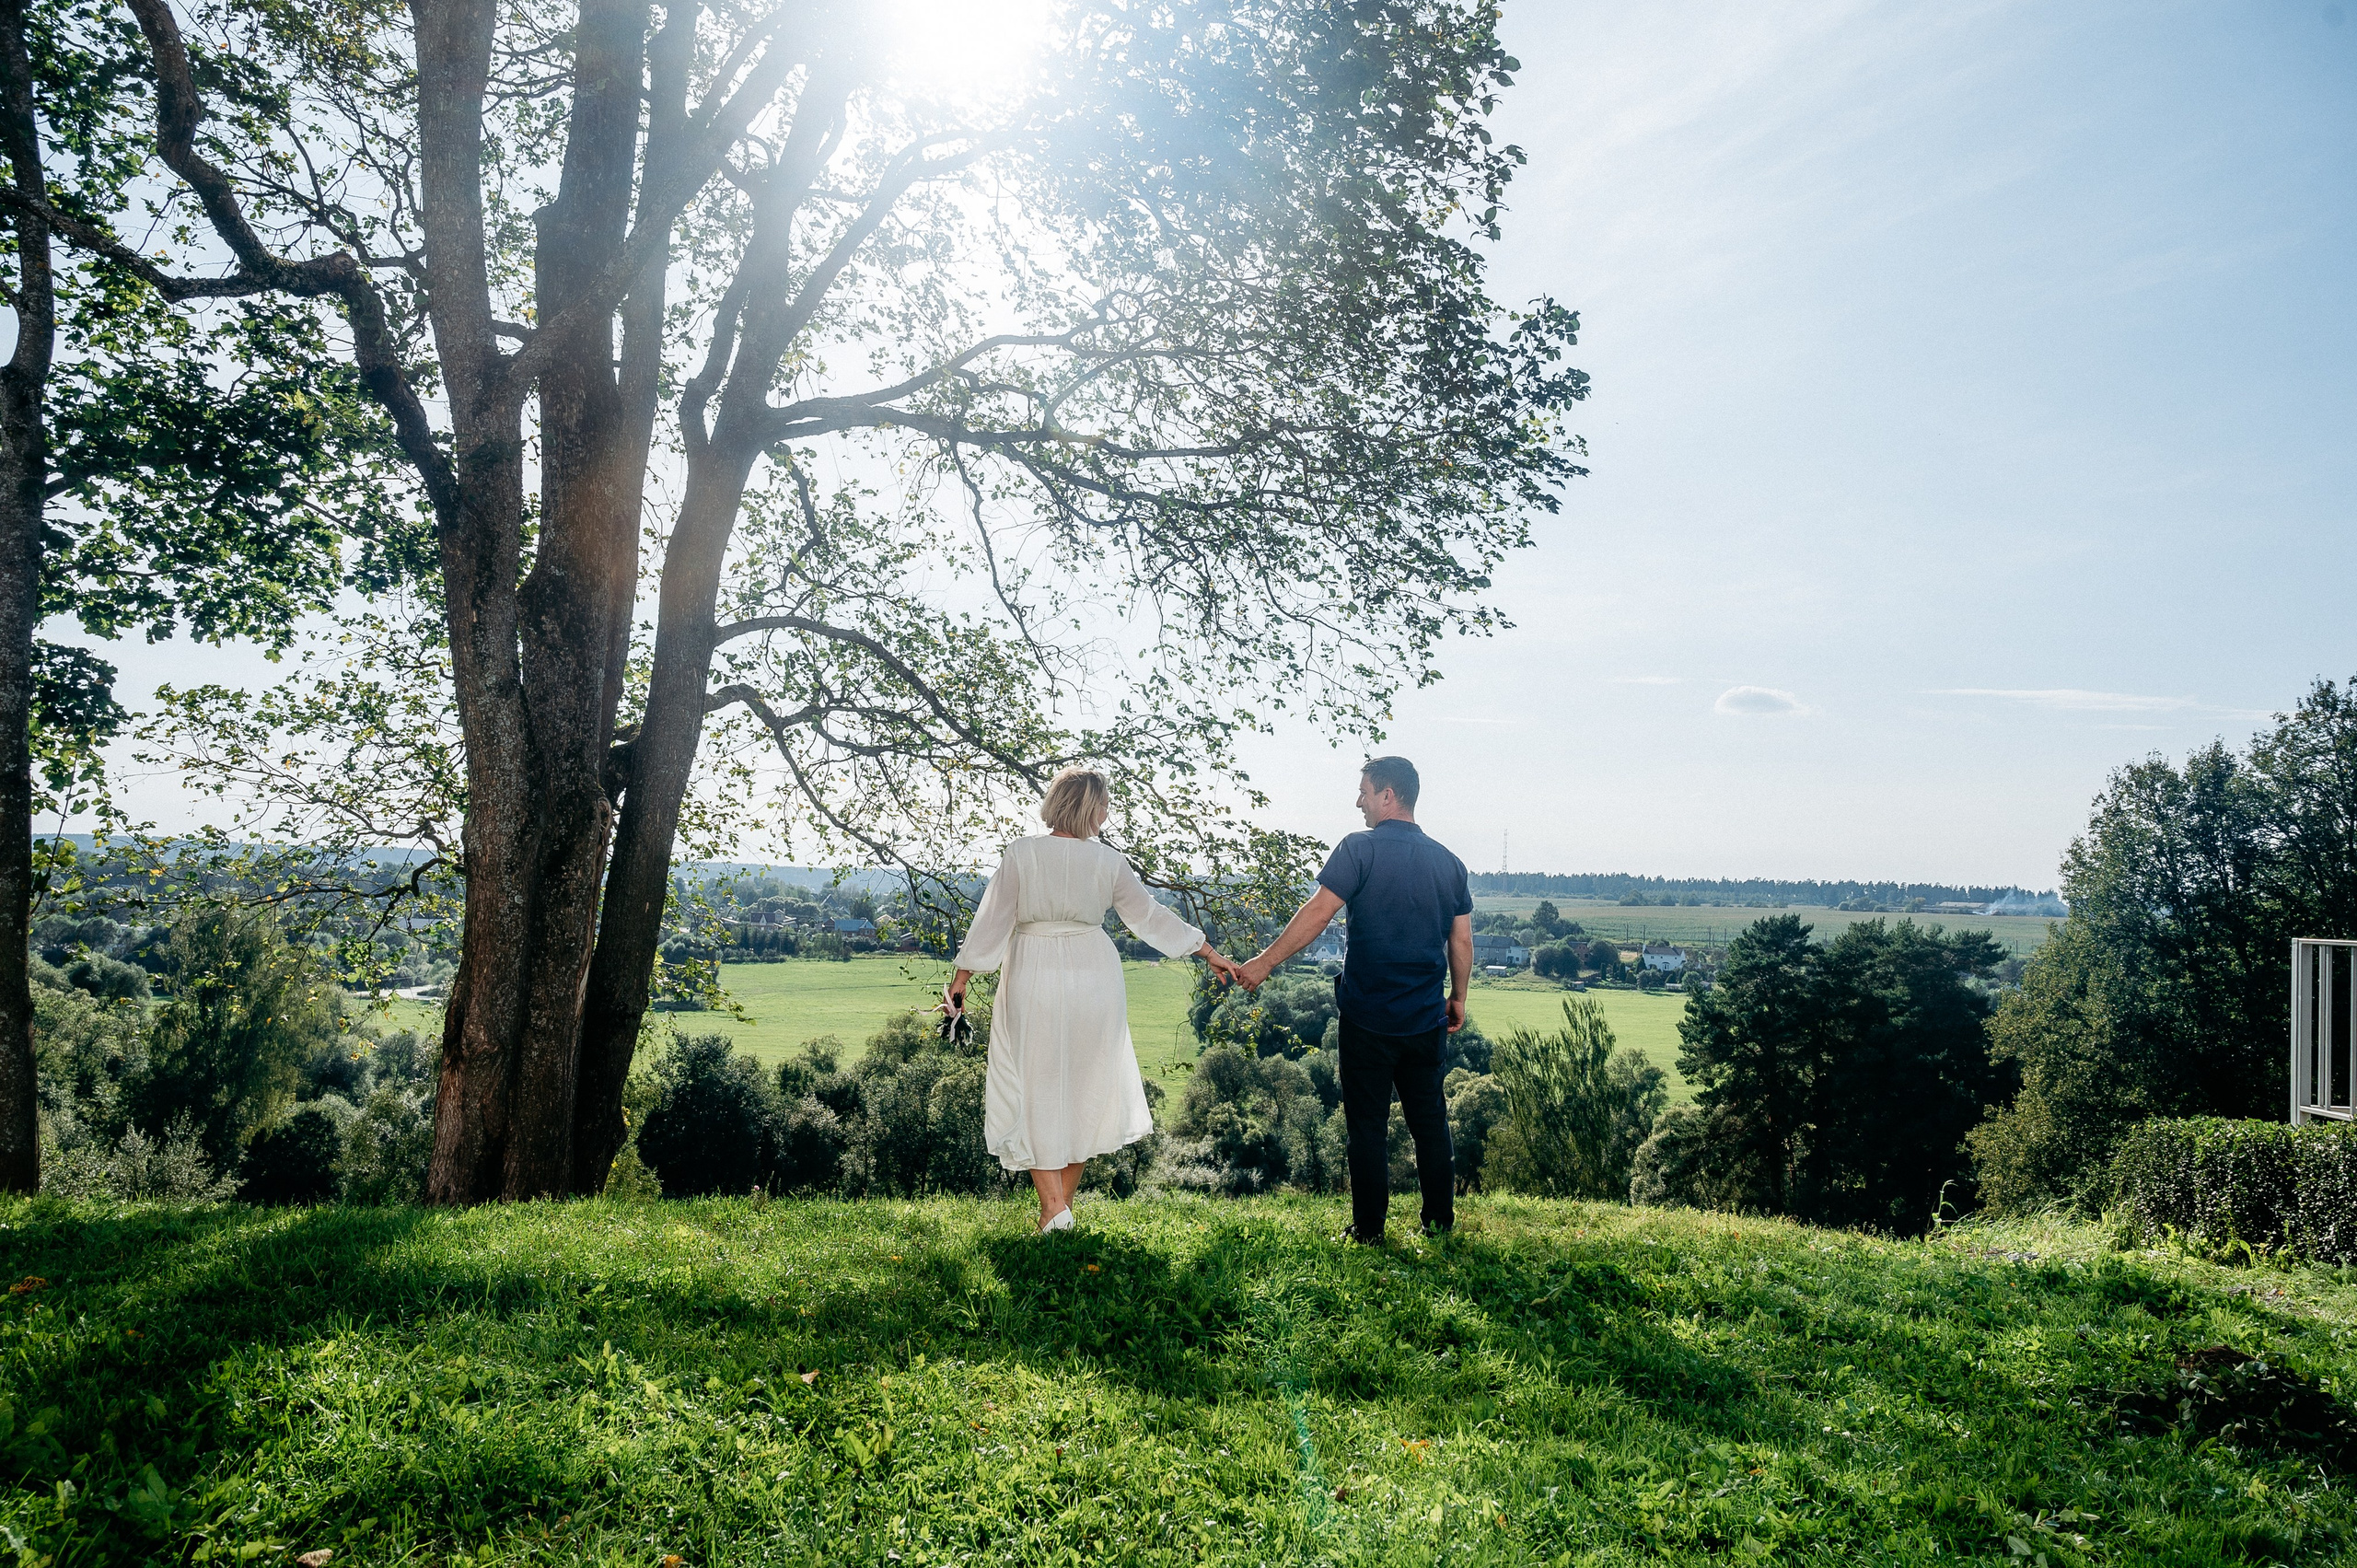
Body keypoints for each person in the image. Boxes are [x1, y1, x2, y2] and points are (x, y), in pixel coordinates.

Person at [946, 767, 1243, 1232]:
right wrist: (1208, 952)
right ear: (1086, 806)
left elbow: (992, 921)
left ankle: (1054, 1211)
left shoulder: (1022, 853)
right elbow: (1150, 917)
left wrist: (961, 976)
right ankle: (1057, 1213)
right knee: (1086, 1087)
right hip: (1094, 976)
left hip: (1034, 974)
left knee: (1028, 1082)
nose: (1106, 813)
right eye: (1103, 804)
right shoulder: (1108, 861)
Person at [1238, 756, 1470, 1244]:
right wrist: (1458, 999)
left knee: (1367, 1129)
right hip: (1426, 1017)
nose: (1358, 800)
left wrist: (1263, 963)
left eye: (1364, 790)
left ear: (1389, 795)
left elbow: (1318, 913)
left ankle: (1368, 1232)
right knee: (1430, 1122)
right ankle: (1440, 1226)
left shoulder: (1357, 849)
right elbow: (1462, 942)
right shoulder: (1450, 863)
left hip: (1367, 1019)